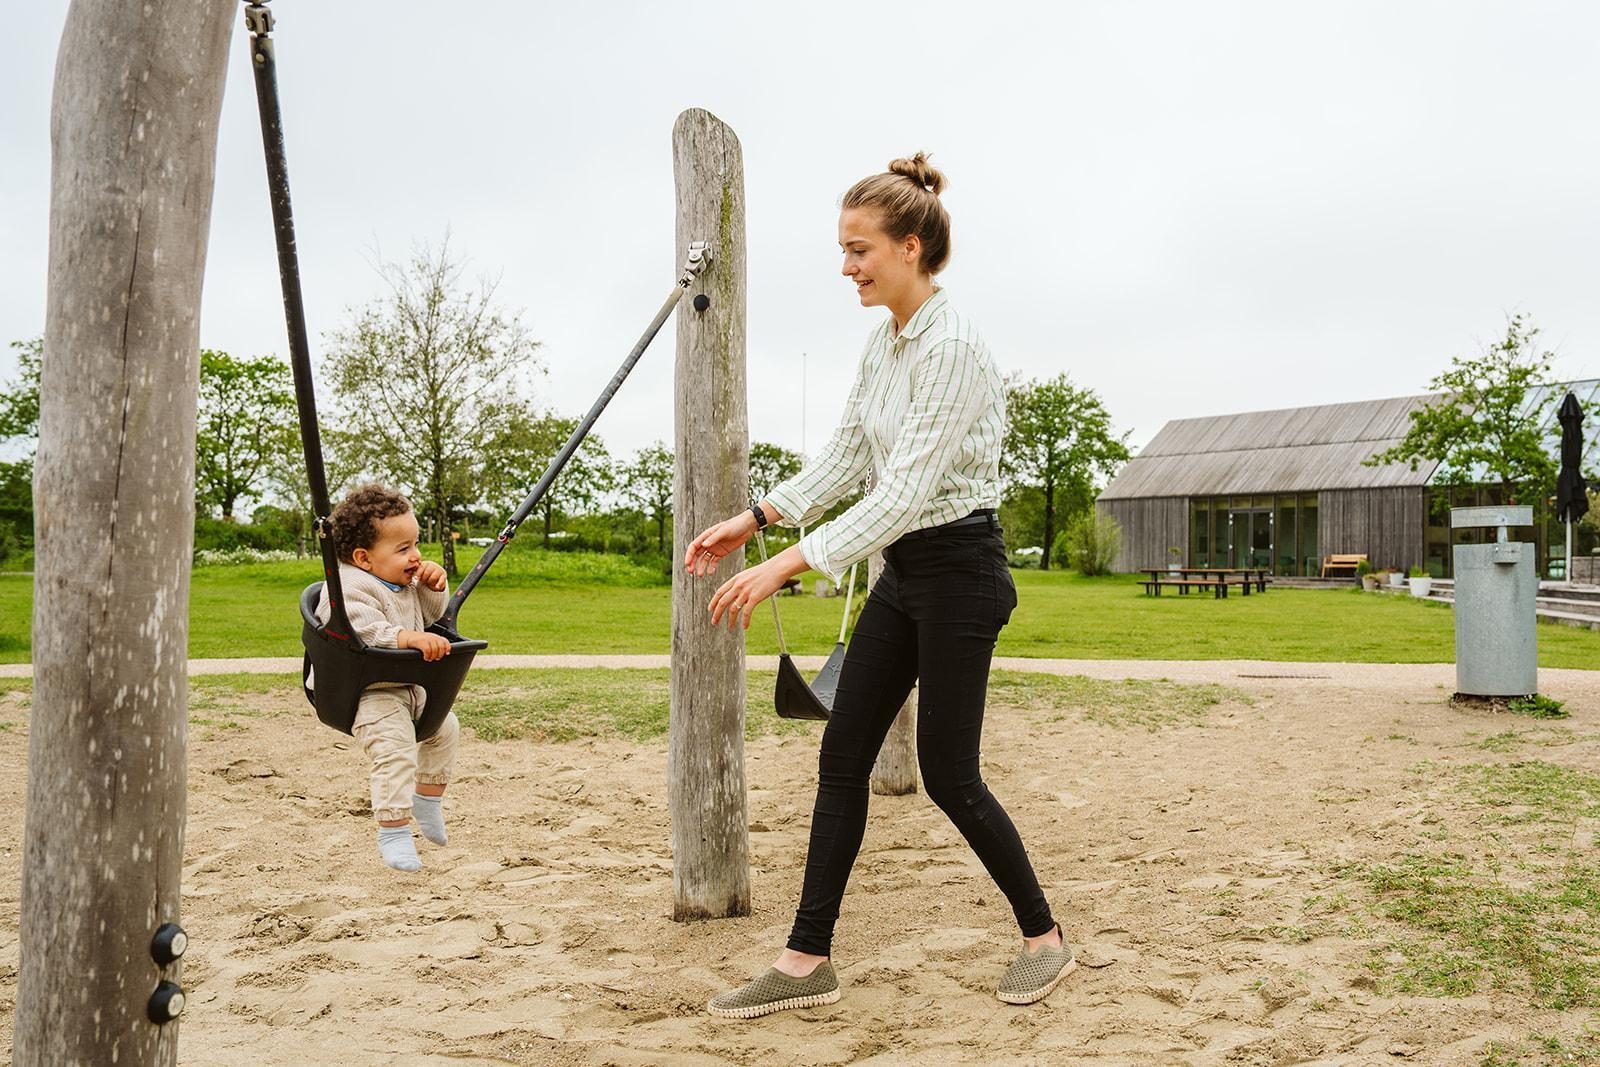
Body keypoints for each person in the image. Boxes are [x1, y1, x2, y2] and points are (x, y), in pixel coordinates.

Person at [685, 154, 1072, 1018]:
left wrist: (788, 564)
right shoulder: (885, 343)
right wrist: (759, 517)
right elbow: (852, 456)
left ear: (909, 246)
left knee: (949, 774)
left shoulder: (956, 349)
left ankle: (1044, 937)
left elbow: (900, 491)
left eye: (859, 249)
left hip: (964, 573)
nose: (847, 266)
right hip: (907, 573)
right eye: (842, 249)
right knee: (840, 754)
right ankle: (804, 959)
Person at [315, 484, 458, 873]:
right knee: (394, 752)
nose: (415, 556)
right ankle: (393, 831)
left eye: (416, 545)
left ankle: (427, 802)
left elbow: (430, 619)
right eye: (403, 549)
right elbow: (359, 630)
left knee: (445, 728)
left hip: (409, 687)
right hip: (368, 691)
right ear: (363, 558)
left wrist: (432, 587)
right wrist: (407, 638)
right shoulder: (347, 587)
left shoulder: (403, 582)